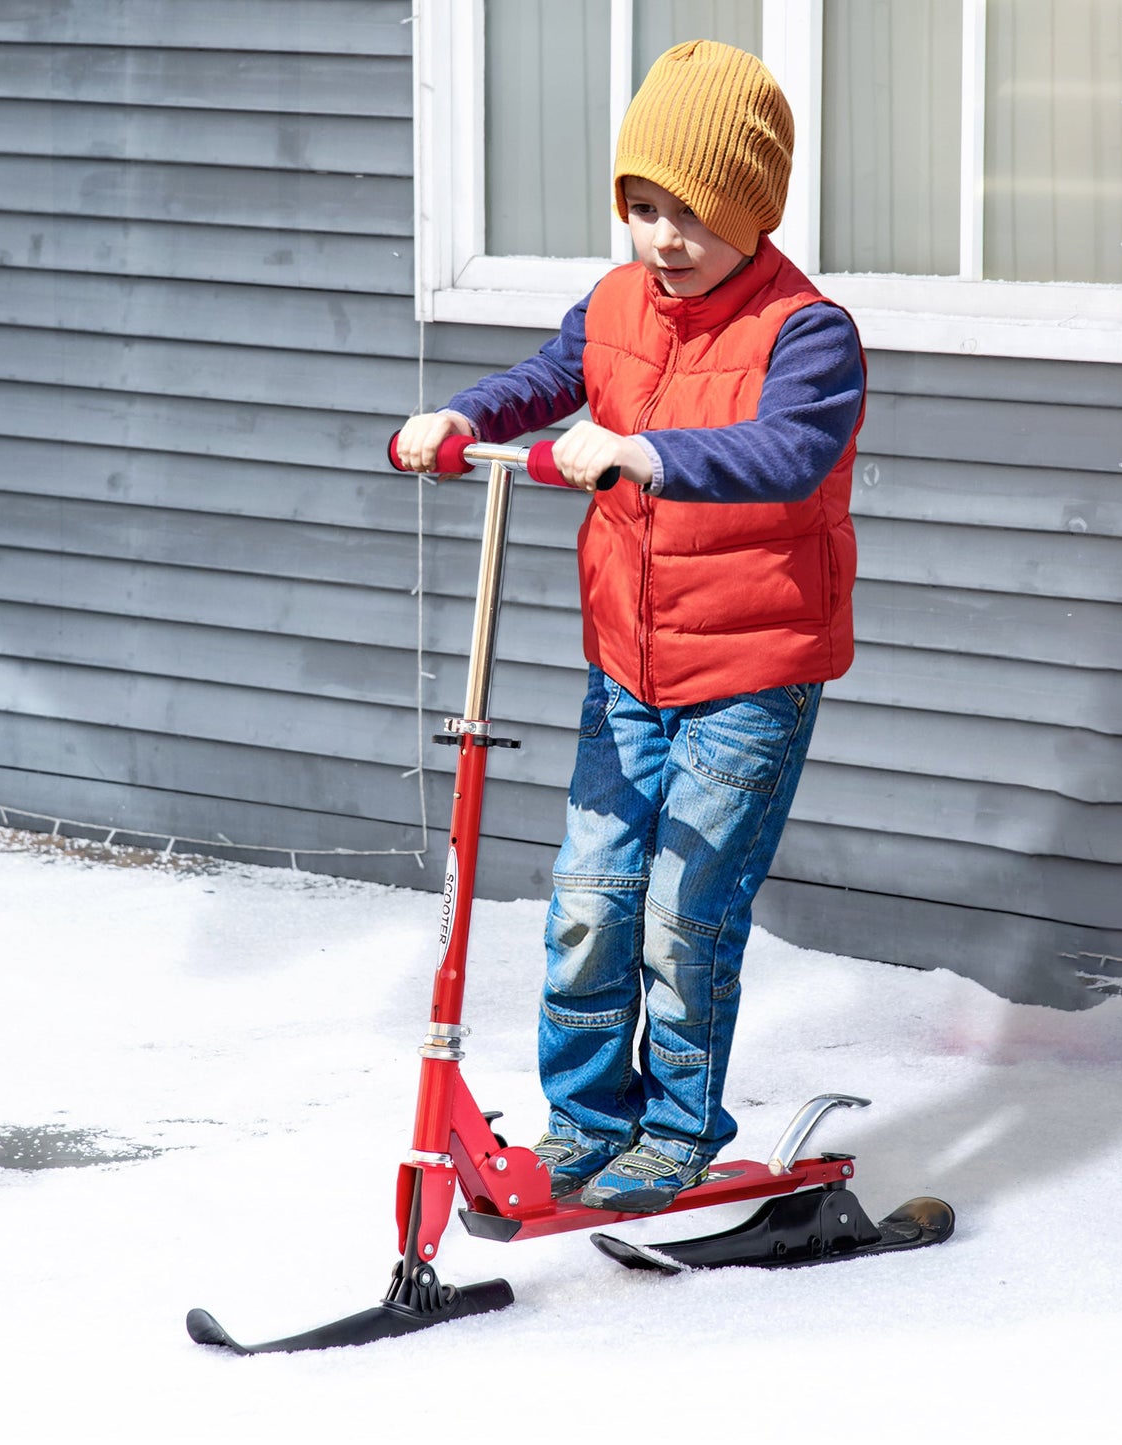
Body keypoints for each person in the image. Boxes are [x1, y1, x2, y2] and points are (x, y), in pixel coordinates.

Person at [394, 40, 865, 1213]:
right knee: (588, 902)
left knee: (679, 911)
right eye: (643, 208)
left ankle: (675, 1128)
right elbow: (552, 376)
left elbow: (789, 452)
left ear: (752, 213)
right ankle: (586, 1119)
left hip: (749, 672)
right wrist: (459, 415)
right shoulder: (615, 303)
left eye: (693, 215)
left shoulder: (806, 333)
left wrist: (640, 452)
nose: (663, 239)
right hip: (627, 664)